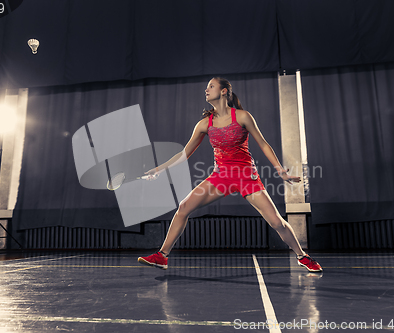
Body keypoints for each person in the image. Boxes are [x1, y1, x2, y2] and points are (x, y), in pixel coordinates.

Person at [138, 77, 322, 273]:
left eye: (211, 86)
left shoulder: (242, 117)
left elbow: (263, 143)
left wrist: (280, 170)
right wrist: (159, 169)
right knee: (184, 207)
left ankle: (302, 256)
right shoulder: (204, 124)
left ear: (224, 91)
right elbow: (184, 154)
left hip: (246, 176)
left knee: (276, 221)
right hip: (221, 177)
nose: (206, 90)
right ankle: (162, 256)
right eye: (206, 87)